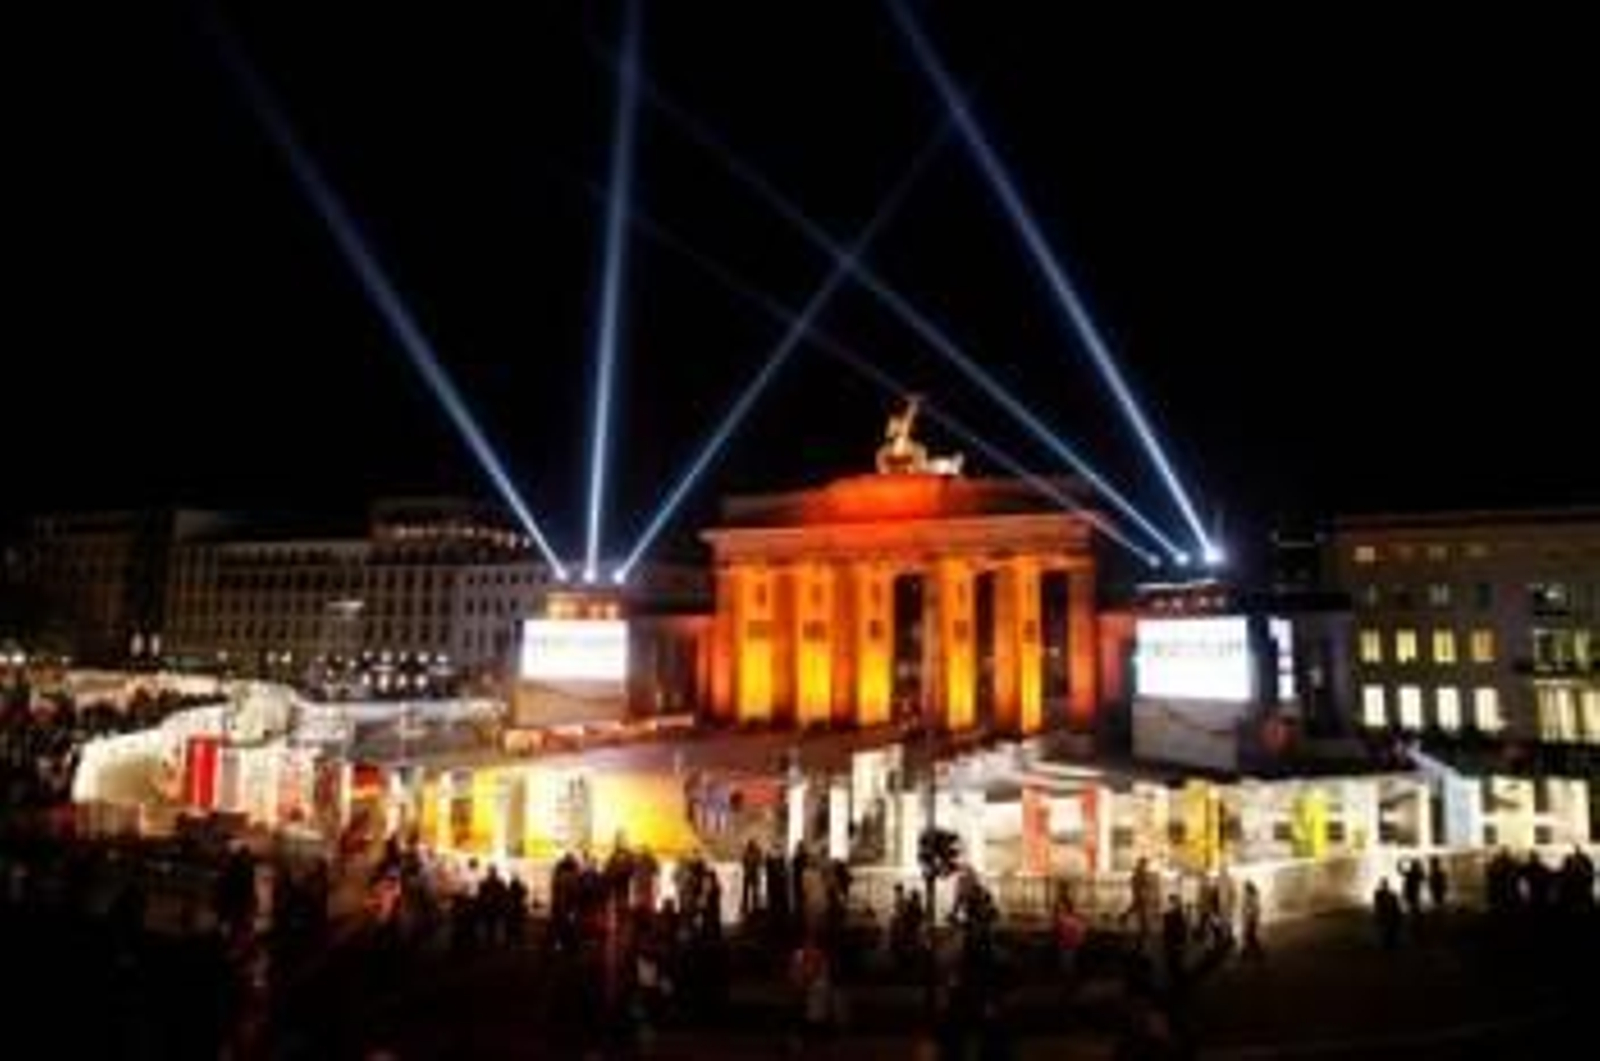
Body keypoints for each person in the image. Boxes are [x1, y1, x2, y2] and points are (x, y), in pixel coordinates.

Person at [1373, 877, 1402, 950]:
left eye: (1384, 884)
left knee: (1388, 929)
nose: (1384, 885)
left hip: (1388, 914)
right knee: (1387, 929)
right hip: (1386, 914)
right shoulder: (1384, 894)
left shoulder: (1381, 894)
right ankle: (1388, 943)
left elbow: (1395, 905)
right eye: (1384, 884)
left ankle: (1388, 943)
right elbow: (1377, 904)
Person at [1239, 880, 1264, 962]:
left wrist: (1247, 913)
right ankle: (1252, 952)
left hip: (1250, 918)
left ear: (1248, 888)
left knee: (1249, 936)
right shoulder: (1253, 895)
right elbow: (1255, 908)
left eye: (1245, 887)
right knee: (1250, 936)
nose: (1244, 889)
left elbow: (1251, 907)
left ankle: (1246, 953)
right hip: (1251, 918)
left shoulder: (1250, 896)